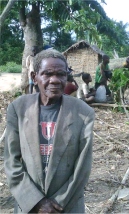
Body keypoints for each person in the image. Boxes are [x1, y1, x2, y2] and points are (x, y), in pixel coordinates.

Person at [4, 49, 95, 213]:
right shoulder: (18, 109)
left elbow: (82, 167)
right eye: (47, 74)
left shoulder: (83, 113)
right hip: (29, 205)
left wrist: (56, 204)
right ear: (34, 77)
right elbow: (12, 161)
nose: (55, 80)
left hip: (66, 205)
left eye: (61, 74)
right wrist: (36, 201)